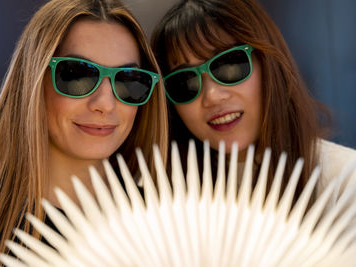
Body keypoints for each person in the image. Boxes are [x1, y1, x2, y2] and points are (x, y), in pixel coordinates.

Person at [0, 0, 168, 265]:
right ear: (33, 79)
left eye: (128, 80)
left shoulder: (166, 222)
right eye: (77, 75)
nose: (105, 104)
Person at [151, 0, 356, 197]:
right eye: (185, 82)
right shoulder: (160, 197)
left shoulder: (345, 180)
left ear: (269, 65)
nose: (212, 96)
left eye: (228, 66)